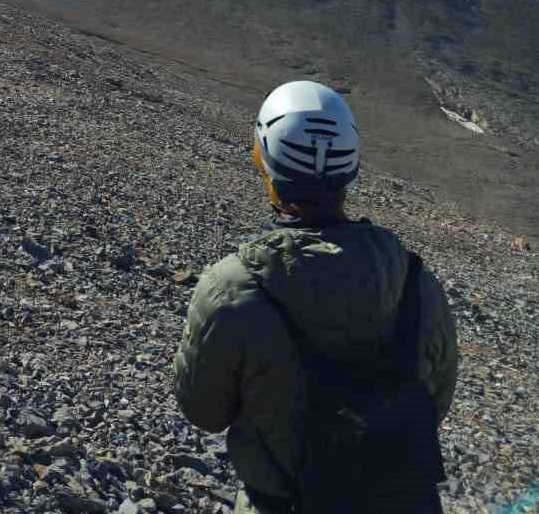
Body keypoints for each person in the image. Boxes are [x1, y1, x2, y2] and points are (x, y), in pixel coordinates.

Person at [173, 81, 458, 514]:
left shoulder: (231, 289)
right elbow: (434, 401)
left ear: (265, 162)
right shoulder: (416, 280)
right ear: (351, 167)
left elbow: (204, 411)